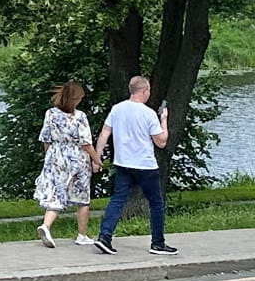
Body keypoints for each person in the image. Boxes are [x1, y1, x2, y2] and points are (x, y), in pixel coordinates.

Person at [91, 75, 175, 255]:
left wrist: (97, 158)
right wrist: (164, 120)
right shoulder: (148, 113)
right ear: (144, 91)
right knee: (156, 203)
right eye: (149, 90)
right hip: (145, 165)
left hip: (123, 164)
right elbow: (161, 142)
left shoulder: (117, 109)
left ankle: (105, 236)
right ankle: (158, 243)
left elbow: (104, 133)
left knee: (117, 200)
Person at [34, 81, 102, 247]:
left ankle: (46, 225)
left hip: (56, 156)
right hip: (77, 159)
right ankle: (82, 235)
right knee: (83, 198)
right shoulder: (79, 117)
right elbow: (86, 143)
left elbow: (46, 139)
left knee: (57, 193)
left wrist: (49, 157)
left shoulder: (50, 114)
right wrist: (96, 159)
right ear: (74, 99)